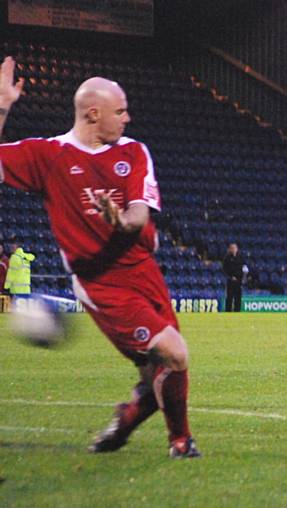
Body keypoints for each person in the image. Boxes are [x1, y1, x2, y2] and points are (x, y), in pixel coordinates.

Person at [0, 56, 200, 458]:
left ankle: (125, 421)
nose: (127, 118)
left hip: (143, 270)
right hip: (100, 281)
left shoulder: (134, 151)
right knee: (174, 352)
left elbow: (140, 212)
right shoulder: (48, 156)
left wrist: (121, 219)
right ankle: (181, 441)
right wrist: (3, 106)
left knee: (155, 371)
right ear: (94, 113)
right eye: (120, 110)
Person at [222, 242, 245, 312]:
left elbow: (243, 268)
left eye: (234, 248)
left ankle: (237, 311)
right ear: (230, 249)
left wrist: (241, 277)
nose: (233, 249)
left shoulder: (240, 257)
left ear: (237, 249)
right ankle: (228, 311)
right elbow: (225, 269)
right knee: (229, 297)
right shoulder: (227, 258)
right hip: (231, 280)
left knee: (238, 297)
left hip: (238, 281)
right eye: (232, 248)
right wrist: (231, 276)